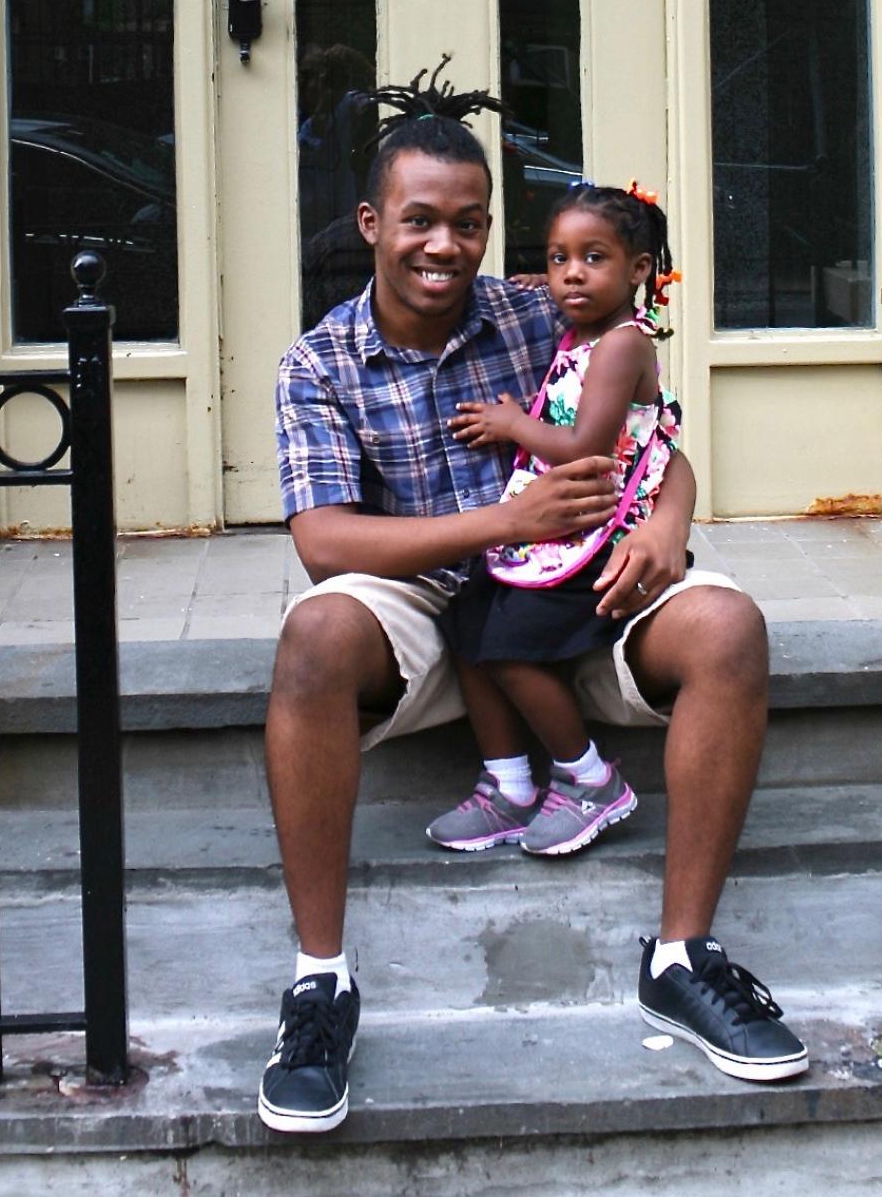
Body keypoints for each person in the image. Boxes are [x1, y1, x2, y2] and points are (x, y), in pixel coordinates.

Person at [257, 62, 808, 1136]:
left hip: (579, 589)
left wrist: (669, 520)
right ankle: (320, 983)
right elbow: (323, 543)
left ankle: (681, 957)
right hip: (427, 606)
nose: (444, 245)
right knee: (314, 637)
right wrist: (498, 522)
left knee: (728, 623)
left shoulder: (543, 308)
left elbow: (651, 433)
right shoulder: (317, 364)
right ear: (371, 224)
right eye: (419, 220)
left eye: (468, 223)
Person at [426, 180, 683, 857]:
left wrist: (512, 423)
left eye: (593, 258)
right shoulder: (583, 329)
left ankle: (590, 778)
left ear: (638, 270)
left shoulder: (621, 346)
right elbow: (566, 286)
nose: (571, 274)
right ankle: (509, 785)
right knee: (467, 618)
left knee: (511, 645)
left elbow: (585, 446)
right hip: (561, 531)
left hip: (600, 536)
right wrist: (545, 283)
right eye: (557, 257)